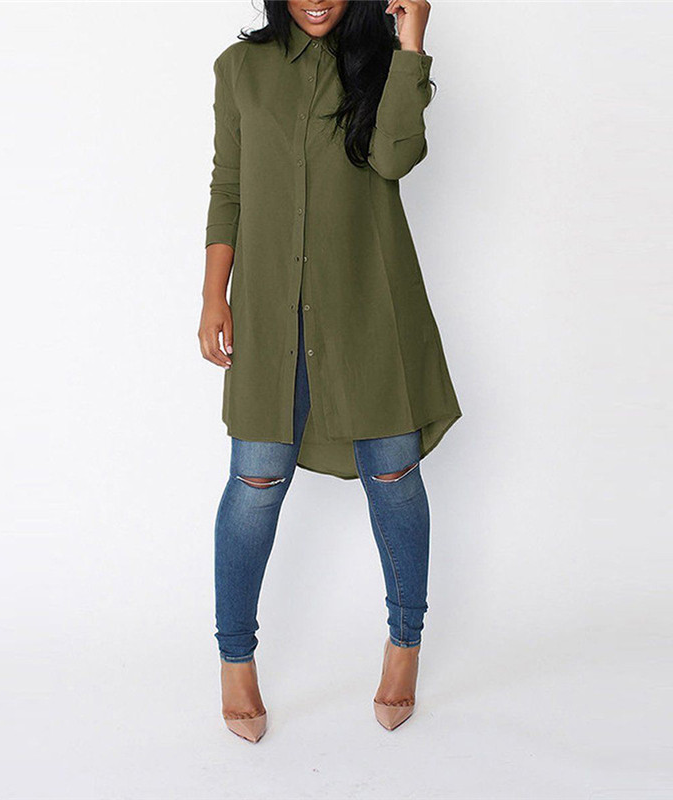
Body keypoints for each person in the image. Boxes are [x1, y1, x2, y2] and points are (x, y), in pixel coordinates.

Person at [198, 0, 462, 743]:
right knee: (254, 482)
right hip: (270, 308)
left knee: (394, 475)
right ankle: (235, 661)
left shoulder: (380, 64)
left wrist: (411, 44)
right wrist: (214, 296)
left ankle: (405, 644)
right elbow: (229, 186)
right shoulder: (240, 69)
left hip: (368, 306)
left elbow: (395, 157)